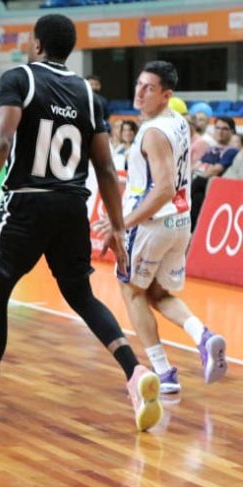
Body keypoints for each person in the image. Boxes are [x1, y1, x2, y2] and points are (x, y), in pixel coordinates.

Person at [0, 14, 163, 432]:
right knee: (80, 294)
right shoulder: (88, 94)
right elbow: (103, 166)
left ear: (38, 45)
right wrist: (116, 226)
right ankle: (134, 373)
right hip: (72, 206)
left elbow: (2, 138)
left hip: (27, 203)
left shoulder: (18, 79)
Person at [94, 61, 227, 395]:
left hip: (153, 223)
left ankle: (163, 372)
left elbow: (163, 187)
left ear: (166, 95)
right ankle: (203, 336)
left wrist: (121, 222)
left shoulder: (153, 133)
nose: (139, 92)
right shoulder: (177, 122)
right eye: (139, 84)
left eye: (149, 88)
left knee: (130, 291)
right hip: (180, 222)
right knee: (156, 293)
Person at [190, 116, 239, 230]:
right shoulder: (211, 149)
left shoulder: (231, 151)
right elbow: (196, 166)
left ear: (231, 131)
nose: (220, 132)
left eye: (224, 129)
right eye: (217, 128)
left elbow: (216, 170)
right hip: (199, 188)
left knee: (198, 183)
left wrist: (202, 170)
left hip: (214, 188)